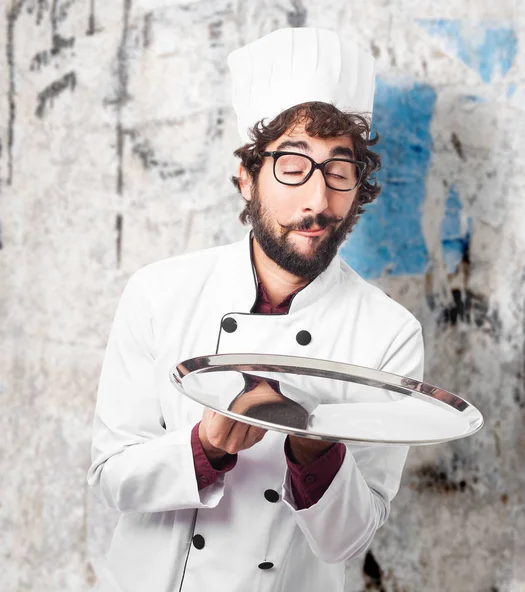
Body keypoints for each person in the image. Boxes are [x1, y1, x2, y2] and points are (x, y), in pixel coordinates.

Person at [87, 27, 424, 592]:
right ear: (247, 177)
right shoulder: (158, 294)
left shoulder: (389, 334)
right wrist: (207, 446)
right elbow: (111, 477)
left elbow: (348, 541)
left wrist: (315, 445)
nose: (317, 201)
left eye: (339, 172)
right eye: (293, 166)